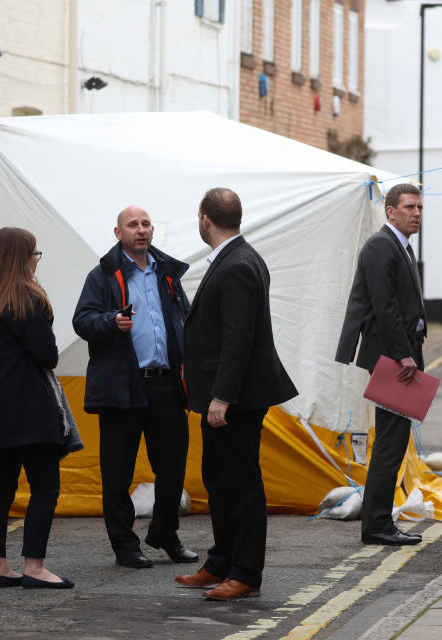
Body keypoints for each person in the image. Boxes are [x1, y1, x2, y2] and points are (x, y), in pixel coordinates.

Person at [176, 188, 297, 601]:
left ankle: (246, 573)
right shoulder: (235, 258)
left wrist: (222, 396)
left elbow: (238, 338)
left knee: (242, 483)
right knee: (220, 479)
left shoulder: (238, 264)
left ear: (204, 219)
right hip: (225, 395)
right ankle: (221, 562)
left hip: (236, 399)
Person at [72, 205, 197, 569]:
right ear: (118, 233)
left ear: (152, 230)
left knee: (172, 468)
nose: (140, 230)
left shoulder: (168, 274)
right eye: (132, 225)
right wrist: (111, 320)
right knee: (117, 472)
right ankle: (125, 545)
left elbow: (185, 320)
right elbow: (82, 320)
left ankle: (164, 534)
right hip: (121, 386)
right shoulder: (103, 275)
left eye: (145, 224)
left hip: (166, 385)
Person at [0, 227, 74, 589]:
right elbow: (47, 355)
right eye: (34, 255)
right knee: (45, 487)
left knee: (1, 487)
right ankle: (35, 567)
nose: (36, 262)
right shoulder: (25, 299)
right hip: (30, 411)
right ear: (21, 259)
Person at [335, 183, 426, 547]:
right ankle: (376, 526)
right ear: (390, 211)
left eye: (420, 207)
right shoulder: (379, 246)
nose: (417, 213)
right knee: (390, 443)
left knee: (395, 440)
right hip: (393, 358)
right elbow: (385, 307)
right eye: (409, 207)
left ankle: (380, 523)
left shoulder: (399, 245)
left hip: (402, 354)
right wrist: (404, 355)